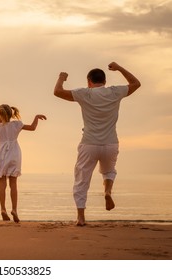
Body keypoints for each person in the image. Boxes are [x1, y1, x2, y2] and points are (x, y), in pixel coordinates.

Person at [53, 62, 141, 226]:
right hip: (110, 144)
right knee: (109, 171)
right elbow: (136, 84)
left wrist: (61, 78)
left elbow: (57, 92)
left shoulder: (85, 93)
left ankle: (81, 217)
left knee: (82, 180)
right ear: (104, 81)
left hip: (89, 144)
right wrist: (120, 68)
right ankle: (107, 192)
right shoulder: (115, 92)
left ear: (89, 81)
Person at [0, 104, 46, 223]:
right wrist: (36, 117)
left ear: (0, 115)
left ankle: (3, 209)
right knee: (13, 183)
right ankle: (14, 210)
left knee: (2, 183)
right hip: (14, 154)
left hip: (1, 155)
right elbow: (32, 127)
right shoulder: (16, 124)